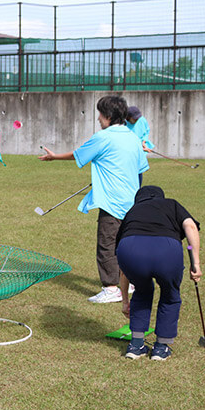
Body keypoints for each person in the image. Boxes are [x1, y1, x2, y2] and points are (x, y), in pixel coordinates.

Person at [40, 95, 149, 304]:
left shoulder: (103, 137)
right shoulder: (132, 137)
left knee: (107, 244)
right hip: (132, 201)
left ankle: (111, 288)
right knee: (125, 244)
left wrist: (54, 157)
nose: (98, 118)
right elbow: (140, 169)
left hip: (111, 201)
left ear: (107, 116)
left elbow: (79, 154)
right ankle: (130, 282)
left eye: (100, 114)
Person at [117, 186, 201, 360]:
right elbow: (190, 226)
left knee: (142, 291)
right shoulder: (171, 204)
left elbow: (123, 271)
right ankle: (161, 348)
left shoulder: (132, 211)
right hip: (167, 251)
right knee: (170, 295)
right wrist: (196, 264)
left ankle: (136, 345)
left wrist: (125, 301)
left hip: (130, 250)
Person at [125, 105, 154, 185]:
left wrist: (144, 142)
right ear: (128, 117)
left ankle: (138, 188)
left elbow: (146, 131)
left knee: (139, 170)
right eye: (134, 118)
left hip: (139, 150)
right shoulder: (123, 124)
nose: (137, 120)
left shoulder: (142, 120)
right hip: (128, 151)